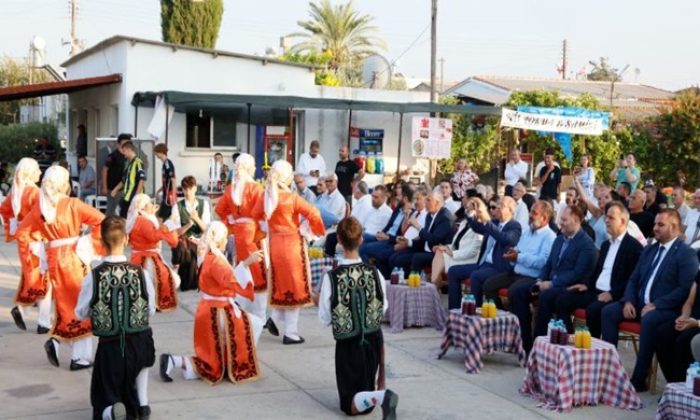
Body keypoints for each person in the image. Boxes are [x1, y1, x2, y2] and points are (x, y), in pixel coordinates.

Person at [16, 165, 105, 370]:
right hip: (74, 257)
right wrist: (91, 244)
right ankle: (79, 356)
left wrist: (37, 254)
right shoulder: (72, 204)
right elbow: (101, 220)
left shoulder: (40, 208)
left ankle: (58, 342)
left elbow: (22, 233)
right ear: (65, 184)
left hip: (54, 258)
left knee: (66, 305)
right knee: (81, 305)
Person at [601, 209, 699, 392]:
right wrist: (629, 300)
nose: (655, 228)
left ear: (674, 227)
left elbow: (685, 289)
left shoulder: (685, 254)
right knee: (609, 311)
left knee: (650, 319)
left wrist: (657, 304)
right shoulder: (649, 249)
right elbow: (633, 279)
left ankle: (639, 379)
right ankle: (609, 369)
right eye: (655, 224)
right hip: (638, 304)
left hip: (666, 309)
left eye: (660, 225)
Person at [159, 221, 264, 384]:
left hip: (209, 308)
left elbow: (227, 279)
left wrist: (245, 264)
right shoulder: (216, 261)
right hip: (218, 311)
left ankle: (176, 361)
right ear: (219, 240)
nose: (226, 241)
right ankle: (235, 363)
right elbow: (233, 282)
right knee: (254, 325)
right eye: (224, 238)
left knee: (213, 354)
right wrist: (247, 265)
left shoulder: (208, 256)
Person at [315, 217, 398, 418]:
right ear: (361, 240)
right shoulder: (375, 272)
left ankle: (382, 398)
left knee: (349, 406)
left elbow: (325, 318)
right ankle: (378, 396)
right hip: (373, 339)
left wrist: (316, 298)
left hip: (348, 344)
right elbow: (383, 307)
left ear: (340, 242)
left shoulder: (331, 277)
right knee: (363, 394)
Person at [75, 216, 156, 420]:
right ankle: (142, 405)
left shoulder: (93, 276)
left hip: (110, 348)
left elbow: (80, 312)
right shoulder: (141, 273)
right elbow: (151, 310)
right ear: (126, 239)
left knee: (101, 398)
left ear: (101, 242)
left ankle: (110, 412)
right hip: (139, 346)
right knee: (143, 343)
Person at [252, 160, 325, 344]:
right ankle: (291, 332)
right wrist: (309, 230)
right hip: (292, 244)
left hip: (275, 244)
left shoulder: (267, 196)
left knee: (282, 286)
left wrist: (265, 230)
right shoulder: (292, 198)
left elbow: (256, 216)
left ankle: (274, 320)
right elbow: (314, 213)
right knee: (295, 288)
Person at [510, 204, 597, 353]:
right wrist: (540, 280)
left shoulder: (586, 244)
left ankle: (540, 347)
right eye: (560, 219)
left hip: (570, 287)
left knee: (546, 296)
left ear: (576, 220)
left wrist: (551, 283)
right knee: (518, 291)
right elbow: (548, 264)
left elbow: (577, 274)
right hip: (549, 281)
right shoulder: (559, 239)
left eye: (564, 220)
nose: (560, 223)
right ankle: (525, 342)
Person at [551, 202, 643, 337]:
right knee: (562, 300)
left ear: (623, 221)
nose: (606, 221)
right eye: (606, 217)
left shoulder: (634, 247)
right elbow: (597, 271)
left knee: (593, 310)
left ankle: (593, 350)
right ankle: (569, 341)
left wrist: (612, 294)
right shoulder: (606, 245)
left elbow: (633, 279)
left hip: (614, 295)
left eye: (611, 218)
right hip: (594, 291)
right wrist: (586, 284)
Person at [214, 154, 269, 328]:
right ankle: (258, 315)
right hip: (254, 234)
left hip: (239, 233)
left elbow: (219, 209)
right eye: (253, 166)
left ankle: (242, 307)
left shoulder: (230, 189)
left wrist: (231, 224)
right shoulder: (256, 188)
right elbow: (264, 213)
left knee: (243, 270)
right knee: (259, 274)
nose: (255, 169)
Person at [0, 158, 51, 334]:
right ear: (31, 172)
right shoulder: (34, 192)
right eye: (37, 169)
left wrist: (14, 229)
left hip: (24, 241)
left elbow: (5, 210)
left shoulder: (16, 191)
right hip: (36, 240)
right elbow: (43, 217)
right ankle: (42, 322)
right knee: (43, 281)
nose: (39, 172)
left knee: (33, 278)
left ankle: (25, 310)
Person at [447, 196, 522, 308]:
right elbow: (478, 228)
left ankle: (474, 312)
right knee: (453, 271)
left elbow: (507, 239)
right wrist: (470, 213)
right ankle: (454, 309)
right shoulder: (495, 222)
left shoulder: (515, 226)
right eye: (498, 205)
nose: (497, 207)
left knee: (476, 276)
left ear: (510, 210)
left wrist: (487, 222)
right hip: (483, 263)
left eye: (501, 205)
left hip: (498, 267)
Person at [482, 200, 557, 307]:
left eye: (534, 213)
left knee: (514, 291)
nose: (530, 215)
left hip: (532, 277)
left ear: (544, 218)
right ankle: (501, 317)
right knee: (488, 285)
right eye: (530, 212)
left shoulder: (549, 237)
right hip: (515, 273)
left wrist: (518, 257)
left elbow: (542, 262)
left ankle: (520, 322)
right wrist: (511, 255)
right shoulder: (527, 232)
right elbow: (517, 250)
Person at [127, 194, 180, 312]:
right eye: (150, 203)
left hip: (142, 256)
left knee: (160, 280)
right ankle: (153, 302)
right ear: (143, 207)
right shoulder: (143, 221)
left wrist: (153, 215)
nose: (153, 205)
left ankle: (150, 301)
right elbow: (153, 235)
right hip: (147, 258)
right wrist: (168, 227)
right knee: (170, 280)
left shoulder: (141, 219)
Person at [388, 192, 453, 276]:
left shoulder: (445, 217)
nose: (426, 203)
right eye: (426, 200)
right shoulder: (429, 215)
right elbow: (424, 237)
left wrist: (418, 226)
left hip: (437, 252)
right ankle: (394, 284)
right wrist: (408, 242)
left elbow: (434, 240)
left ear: (437, 203)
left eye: (428, 200)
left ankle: (413, 285)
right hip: (425, 248)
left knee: (413, 258)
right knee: (393, 257)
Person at [359, 185, 415, 277]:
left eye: (399, 196)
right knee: (361, 240)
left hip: (392, 241)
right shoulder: (398, 209)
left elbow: (402, 235)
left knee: (364, 248)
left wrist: (388, 237)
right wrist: (382, 233)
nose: (396, 198)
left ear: (405, 198)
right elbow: (389, 225)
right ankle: (371, 275)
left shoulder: (410, 213)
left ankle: (370, 276)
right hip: (386, 237)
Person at [654, 273, 700, 383]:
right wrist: (684, 316)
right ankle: (672, 384)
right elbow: (689, 301)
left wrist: (696, 323)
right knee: (663, 334)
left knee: (683, 341)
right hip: (691, 319)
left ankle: (682, 384)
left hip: (697, 324)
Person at [324, 183, 391, 257]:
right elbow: (362, 223)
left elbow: (385, 231)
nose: (373, 199)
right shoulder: (372, 209)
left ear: (383, 198)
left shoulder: (387, 212)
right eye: (372, 196)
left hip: (373, 237)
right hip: (363, 233)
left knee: (350, 238)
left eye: (376, 197)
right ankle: (331, 262)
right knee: (334, 236)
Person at [431, 197, 484, 287]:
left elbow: (472, 252)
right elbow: (455, 243)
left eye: (470, 209)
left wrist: (452, 253)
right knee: (439, 251)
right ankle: (434, 285)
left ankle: (433, 286)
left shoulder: (480, 225)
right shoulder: (464, 223)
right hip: (456, 254)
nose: (467, 211)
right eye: (466, 208)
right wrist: (445, 247)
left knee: (439, 261)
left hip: (467, 260)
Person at [171, 176, 211, 291]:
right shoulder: (177, 207)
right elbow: (176, 232)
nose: (188, 192)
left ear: (195, 189)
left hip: (201, 239)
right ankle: (187, 278)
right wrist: (188, 225)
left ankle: (199, 278)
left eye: (190, 189)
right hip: (185, 240)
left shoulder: (204, 204)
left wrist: (197, 219)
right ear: (182, 190)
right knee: (184, 249)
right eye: (185, 189)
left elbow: (207, 230)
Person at [110, 140, 146, 219]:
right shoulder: (129, 164)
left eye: (124, 151)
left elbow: (142, 179)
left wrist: (136, 197)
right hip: (127, 197)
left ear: (129, 149)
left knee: (131, 220)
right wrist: (115, 190)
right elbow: (124, 180)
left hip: (134, 198)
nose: (123, 154)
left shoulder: (138, 162)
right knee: (123, 217)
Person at [103, 134, 130, 216]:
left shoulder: (128, 156)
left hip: (125, 189)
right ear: (118, 144)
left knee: (125, 211)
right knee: (110, 211)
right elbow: (104, 170)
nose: (125, 145)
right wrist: (105, 187)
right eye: (123, 143)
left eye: (127, 143)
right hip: (113, 189)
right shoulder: (112, 156)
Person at [154, 143, 177, 220]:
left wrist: (173, 195)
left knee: (161, 217)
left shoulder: (167, 164)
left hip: (169, 195)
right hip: (165, 194)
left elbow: (173, 179)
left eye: (156, 152)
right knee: (165, 216)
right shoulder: (164, 164)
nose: (155, 154)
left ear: (160, 152)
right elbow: (166, 181)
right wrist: (159, 190)